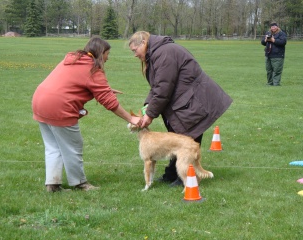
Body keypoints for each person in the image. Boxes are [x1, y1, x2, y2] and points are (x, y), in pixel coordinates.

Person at [32, 36, 141, 192]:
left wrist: (106, 90)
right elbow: (109, 102)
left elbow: (74, 82)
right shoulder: (93, 68)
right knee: (73, 146)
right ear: (101, 52)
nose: (108, 58)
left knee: (53, 147)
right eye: (107, 54)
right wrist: (131, 118)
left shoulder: (74, 59)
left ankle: (53, 185)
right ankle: (80, 183)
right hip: (59, 107)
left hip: (40, 102)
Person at [129, 31, 233, 186]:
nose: (134, 55)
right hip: (186, 100)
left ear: (143, 42)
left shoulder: (164, 54)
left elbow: (164, 88)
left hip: (195, 100)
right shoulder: (158, 53)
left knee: (187, 136)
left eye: (134, 50)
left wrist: (150, 115)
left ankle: (186, 177)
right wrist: (147, 105)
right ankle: (172, 174)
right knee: (176, 139)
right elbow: (157, 86)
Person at [261, 22, 287, 86]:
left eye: (275, 27)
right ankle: (269, 83)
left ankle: (276, 84)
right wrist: (265, 40)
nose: (273, 28)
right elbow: (262, 42)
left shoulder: (281, 34)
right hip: (268, 54)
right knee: (269, 70)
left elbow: (283, 42)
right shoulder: (268, 33)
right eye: (272, 27)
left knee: (277, 70)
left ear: (277, 27)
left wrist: (274, 40)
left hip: (278, 55)